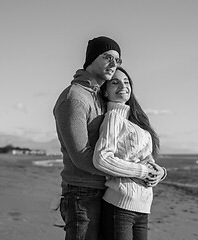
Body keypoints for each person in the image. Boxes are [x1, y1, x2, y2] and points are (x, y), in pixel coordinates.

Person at [53, 36, 165, 240]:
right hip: (81, 193)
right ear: (91, 59)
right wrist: (136, 173)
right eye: (107, 57)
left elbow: (127, 147)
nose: (114, 64)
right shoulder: (75, 97)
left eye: (118, 60)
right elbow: (82, 156)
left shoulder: (101, 97)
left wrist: (155, 170)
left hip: (105, 191)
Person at [93, 67, 166, 240]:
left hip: (143, 207)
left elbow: (147, 160)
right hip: (119, 205)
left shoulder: (136, 122)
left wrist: (161, 173)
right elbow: (102, 158)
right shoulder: (113, 118)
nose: (123, 86)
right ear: (105, 91)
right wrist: (143, 172)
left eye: (126, 82)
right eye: (115, 82)